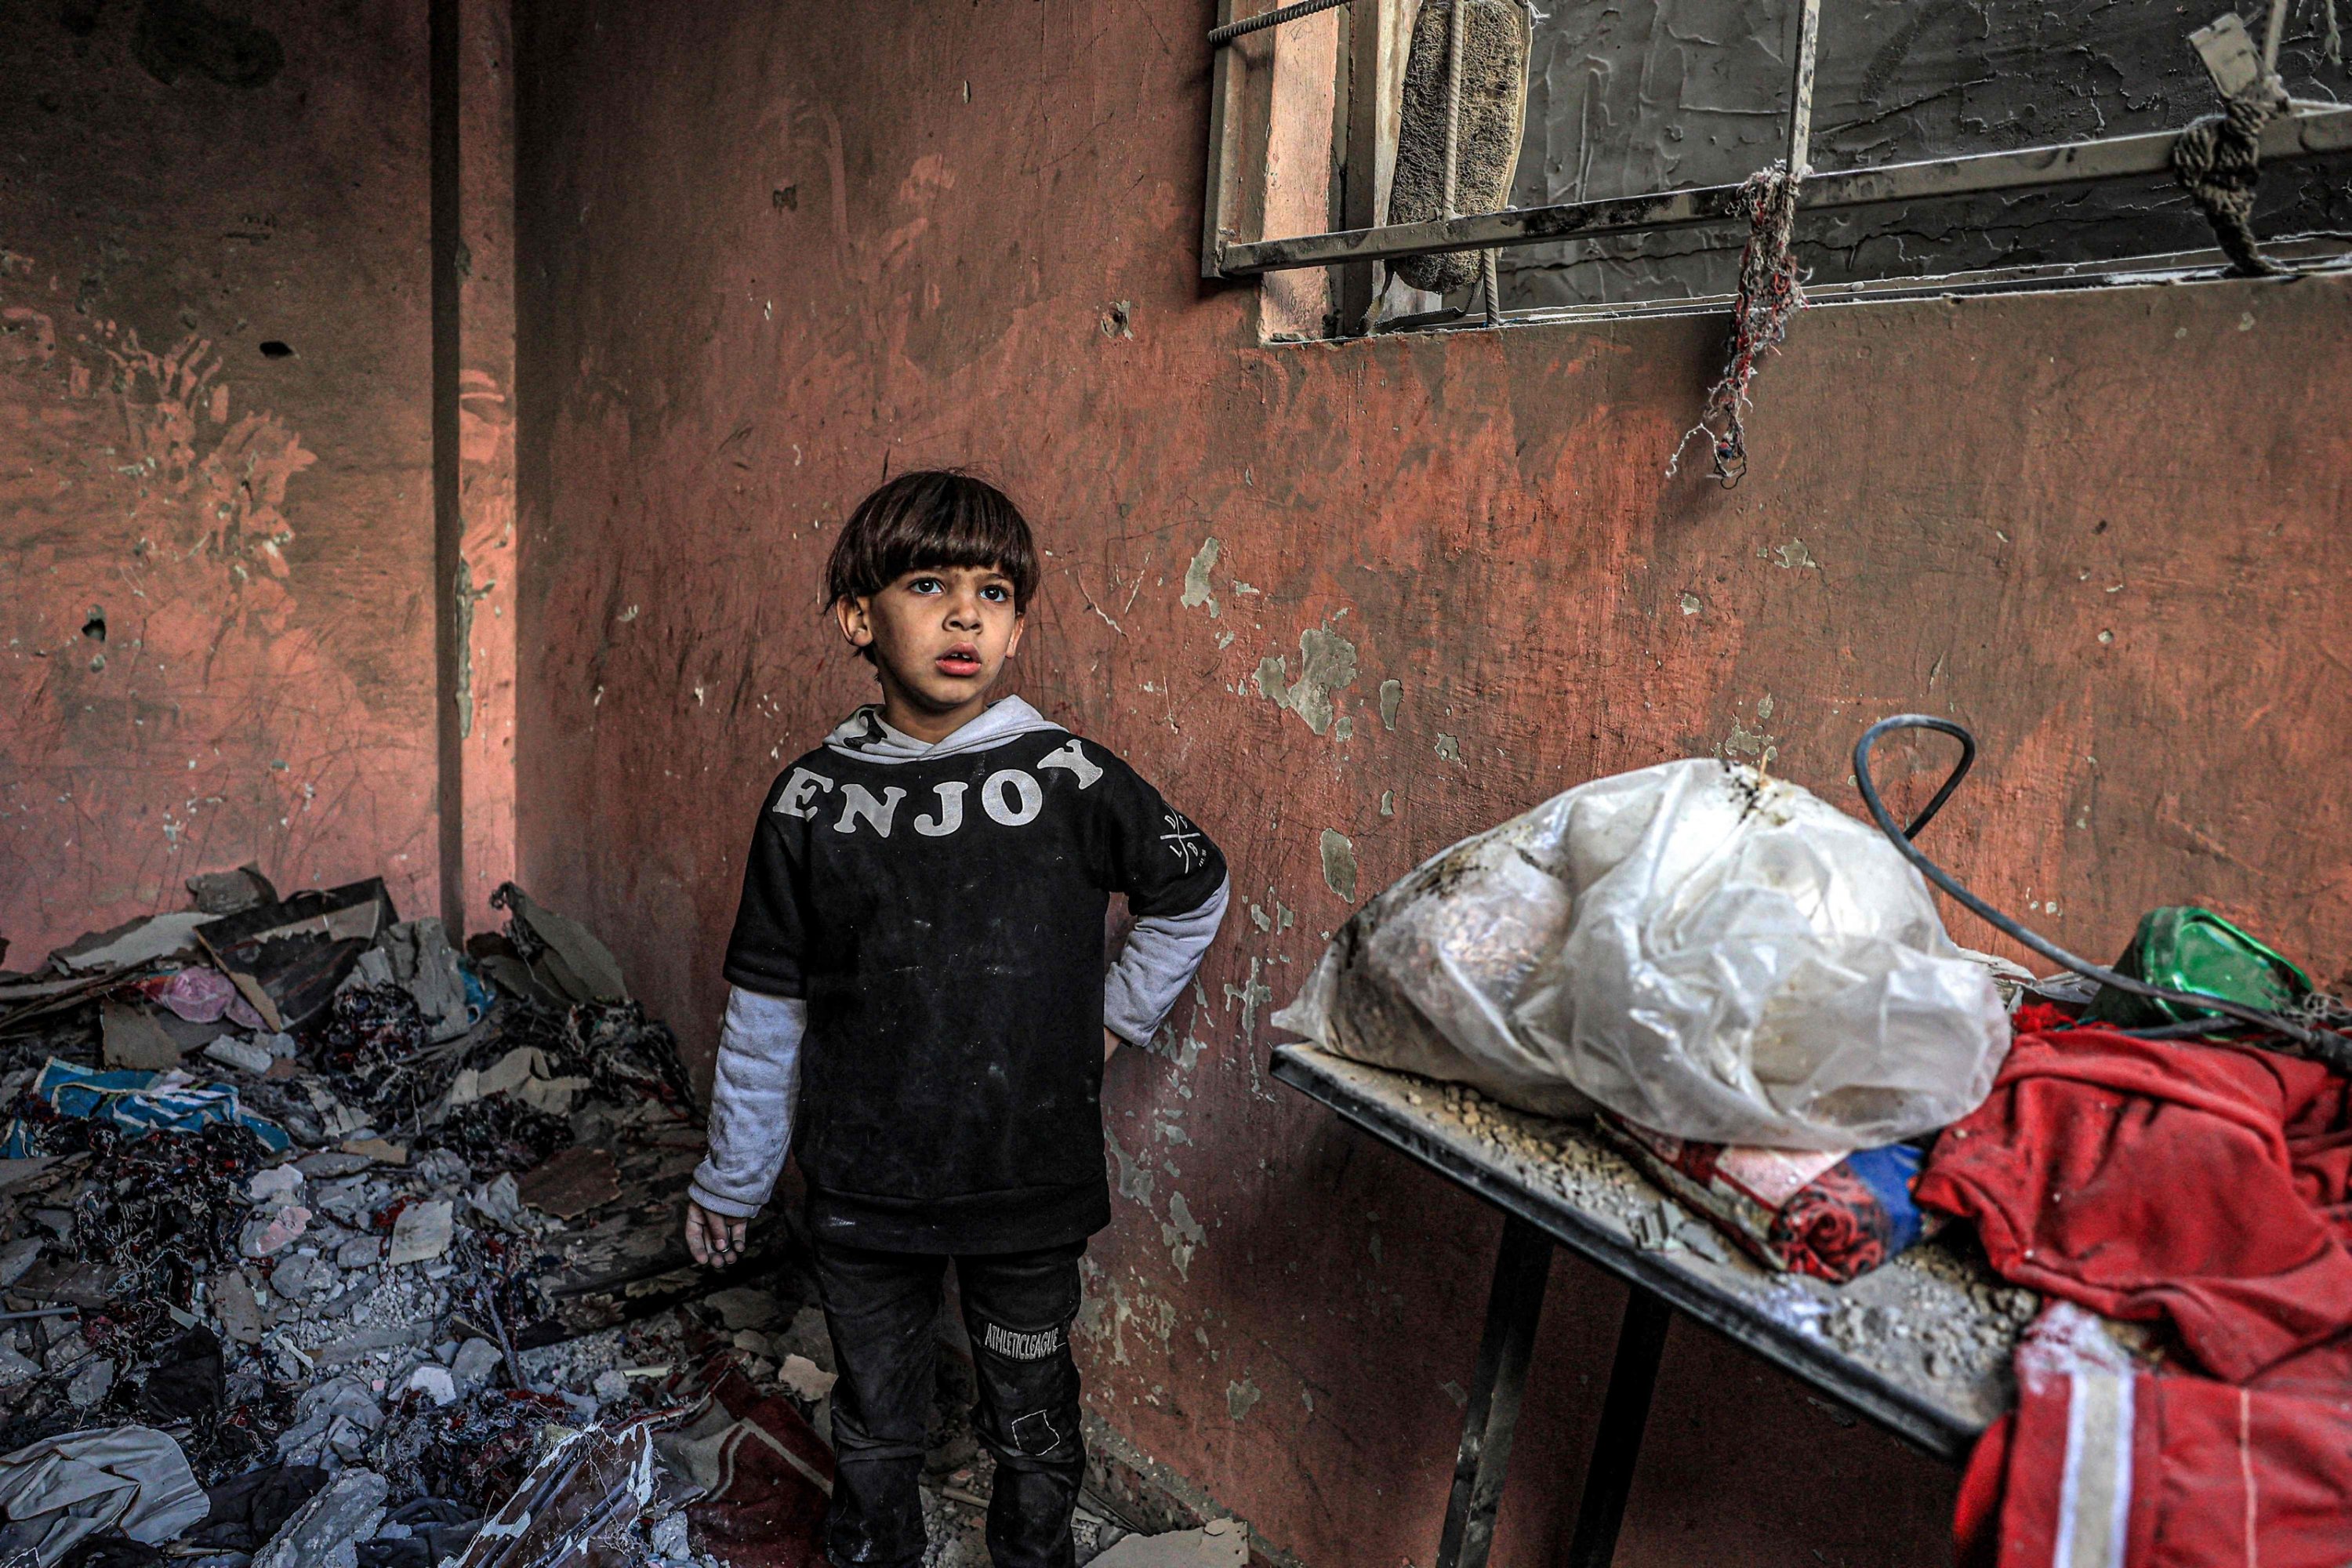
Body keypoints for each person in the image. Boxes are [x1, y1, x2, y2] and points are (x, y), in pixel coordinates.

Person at [683, 470, 1229, 1568]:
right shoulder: (808, 801)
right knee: (876, 1424)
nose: (966, 614)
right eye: (929, 584)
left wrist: (1112, 1020)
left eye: (994, 591)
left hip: (1025, 1180)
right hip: (863, 1191)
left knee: (1033, 1422)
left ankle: (1034, 1555)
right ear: (859, 618)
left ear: (1020, 622)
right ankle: (874, 1549)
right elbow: (765, 1010)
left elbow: (1193, 884)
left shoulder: (1070, 776)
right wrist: (733, 1181)